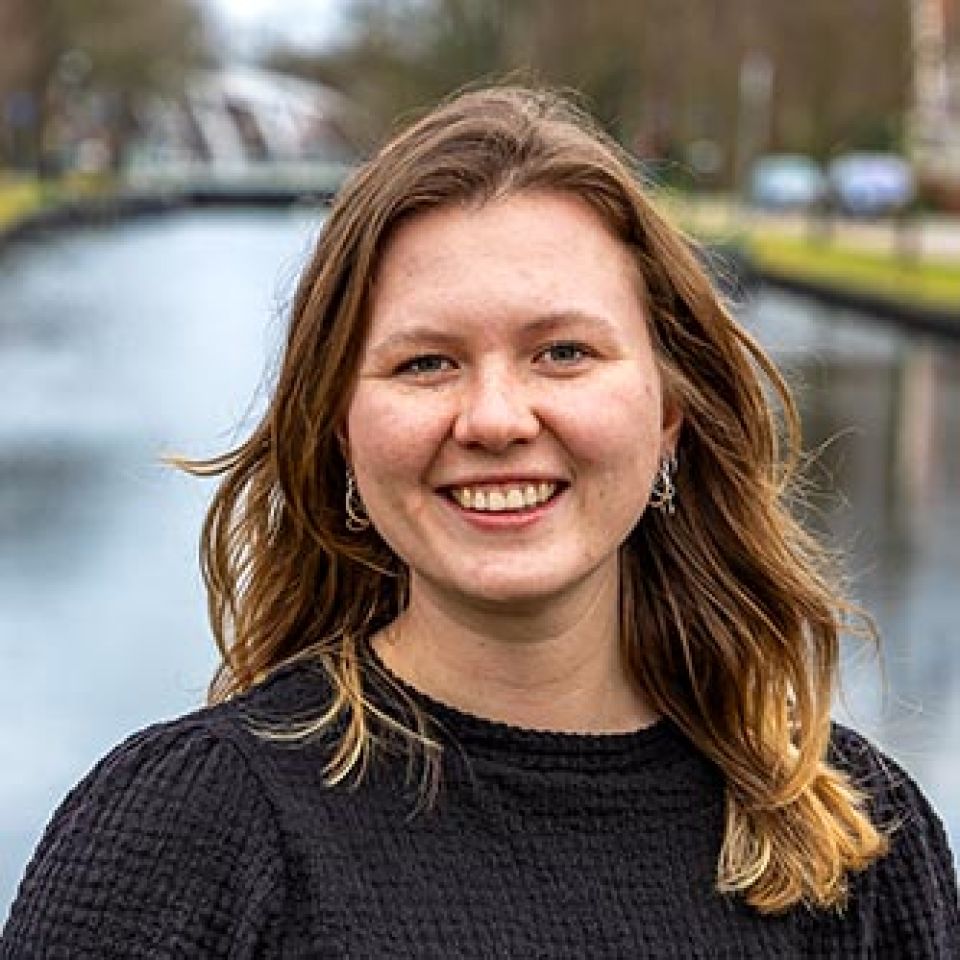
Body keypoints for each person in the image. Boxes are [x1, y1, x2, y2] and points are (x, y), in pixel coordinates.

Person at [2, 86, 957, 958]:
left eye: (564, 352)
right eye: (426, 363)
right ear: (340, 430)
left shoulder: (858, 844)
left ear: (670, 413)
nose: (496, 420)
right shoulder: (185, 837)